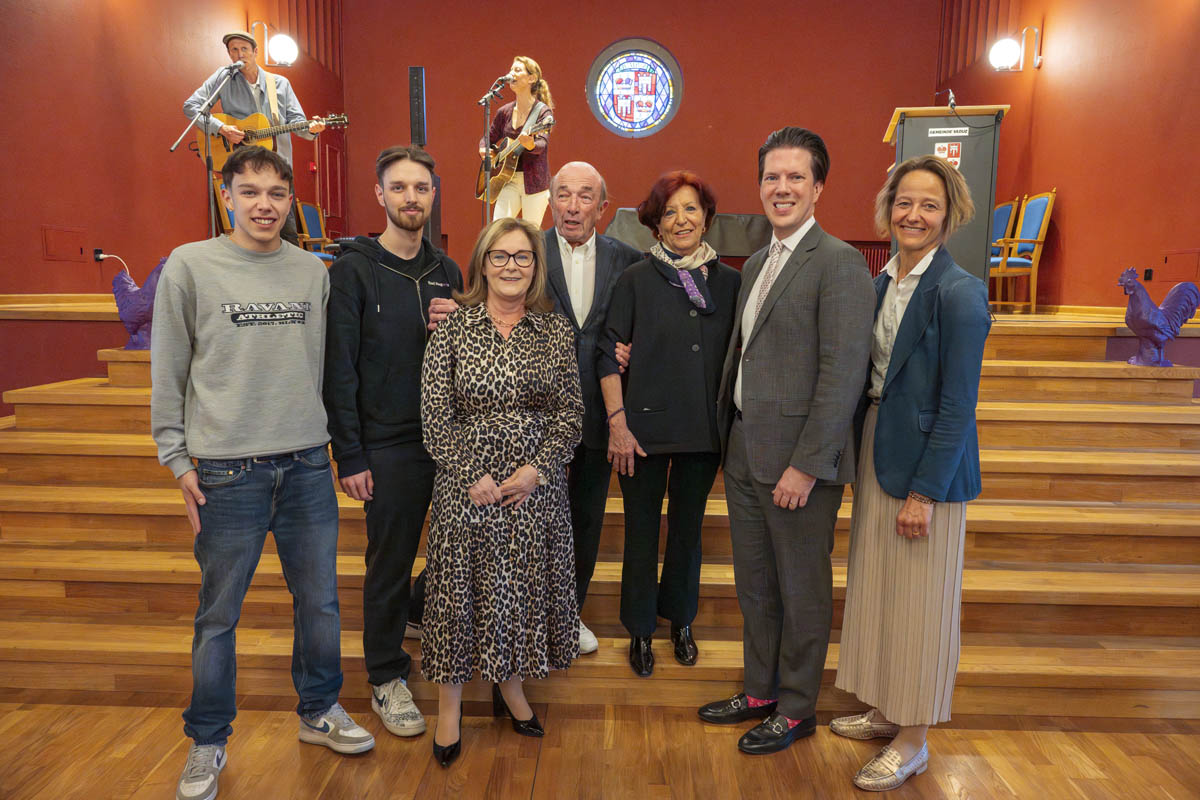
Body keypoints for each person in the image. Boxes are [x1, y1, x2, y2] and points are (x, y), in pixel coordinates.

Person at [151, 146, 373, 800]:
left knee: (321, 603)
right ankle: (207, 740)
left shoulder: (312, 271)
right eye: (249, 192)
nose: (264, 205)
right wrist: (177, 459)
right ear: (227, 198)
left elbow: (335, 364)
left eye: (276, 193)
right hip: (227, 473)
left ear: (290, 200)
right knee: (218, 616)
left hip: (306, 465)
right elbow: (169, 369)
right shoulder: (190, 266)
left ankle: (319, 710)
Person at [697, 127, 875, 755]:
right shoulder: (756, 265)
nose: (782, 188)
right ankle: (760, 690)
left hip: (799, 464)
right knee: (756, 586)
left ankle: (797, 706)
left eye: (796, 176)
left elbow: (842, 375)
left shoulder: (840, 263)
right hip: (746, 449)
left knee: (800, 589)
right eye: (772, 176)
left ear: (818, 187)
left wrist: (808, 464)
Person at [832, 155, 990, 791]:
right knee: (880, 590)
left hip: (929, 465)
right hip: (880, 445)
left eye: (929, 205)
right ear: (887, 209)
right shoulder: (883, 282)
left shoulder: (959, 292)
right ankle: (888, 708)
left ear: (949, 216)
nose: (914, 215)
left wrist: (925, 492)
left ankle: (914, 739)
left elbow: (958, 404)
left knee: (922, 607)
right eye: (904, 202)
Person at [419, 217, 584, 767]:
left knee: (518, 592)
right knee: (457, 596)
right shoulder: (452, 328)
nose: (511, 266)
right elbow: (435, 416)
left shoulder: (554, 331)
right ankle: (449, 708)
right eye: (500, 256)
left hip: (533, 492)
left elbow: (571, 414)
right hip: (466, 490)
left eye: (523, 257)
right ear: (482, 264)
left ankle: (512, 687)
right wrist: (472, 474)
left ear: (536, 268)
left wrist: (537, 469)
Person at [323, 145, 462, 740]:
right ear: (380, 195)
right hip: (387, 441)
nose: (411, 198)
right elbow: (339, 368)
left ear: (433, 195)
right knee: (390, 560)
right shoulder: (353, 271)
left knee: (456, 548)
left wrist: (459, 325)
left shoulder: (448, 271)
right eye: (399, 188)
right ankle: (385, 675)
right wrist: (350, 453)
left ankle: (416, 611)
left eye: (421, 188)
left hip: (448, 439)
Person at [597, 171, 740, 677]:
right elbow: (608, 354)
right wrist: (617, 424)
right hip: (642, 432)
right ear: (655, 225)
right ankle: (640, 628)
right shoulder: (636, 279)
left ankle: (680, 620)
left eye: (691, 209)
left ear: (706, 217)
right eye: (670, 212)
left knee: (687, 531)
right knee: (640, 531)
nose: (681, 219)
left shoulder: (731, 282)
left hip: (703, 431)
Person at [544, 161, 643, 654]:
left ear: (602, 207)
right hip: (536, 417)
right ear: (550, 201)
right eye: (563, 195)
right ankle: (529, 614)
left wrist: (635, 348)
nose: (573, 206)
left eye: (585, 196)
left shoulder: (628, 260)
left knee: (586, 520)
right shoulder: (525, 250)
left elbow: (641, 324)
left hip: (598, 414)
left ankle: (569, 614)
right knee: (532, 519)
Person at [184, 31, 325, 245]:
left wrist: (313, 129)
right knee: (247, 230)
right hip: (243, 168)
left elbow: (298, 123)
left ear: (255, 51)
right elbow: (192, 106)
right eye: (234, 50)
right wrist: (221, 129)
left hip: (278, 167)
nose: (240, 54)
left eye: (244, 49)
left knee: (286, 232)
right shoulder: (224, 78)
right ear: (229, 54)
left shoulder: (280, 84)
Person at [479, 56, 554, 224]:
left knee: (531, 231)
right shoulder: (504, 112)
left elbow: (542, 143)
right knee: (498, 228)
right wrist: (483, 148)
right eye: (511, 69)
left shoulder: (543, 112)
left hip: (534, 184)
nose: (511, 73)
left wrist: (531, 144)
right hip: (507, 180)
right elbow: (488, 137)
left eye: (517, 70)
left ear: (532, 78)